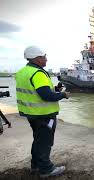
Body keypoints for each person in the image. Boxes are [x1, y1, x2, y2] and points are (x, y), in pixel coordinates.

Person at [15, 46, 69, 178]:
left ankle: (35, 165)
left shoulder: (23, 71)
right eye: (44, 57)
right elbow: (46, 96)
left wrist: (54, 89)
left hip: (31, 113)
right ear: (37, 59)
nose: (46, 59)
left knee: (38, 140)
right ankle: (46, 169)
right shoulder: (38, 74)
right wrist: (63, 95)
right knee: (45, 142)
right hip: (43, 115)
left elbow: (35, 90)